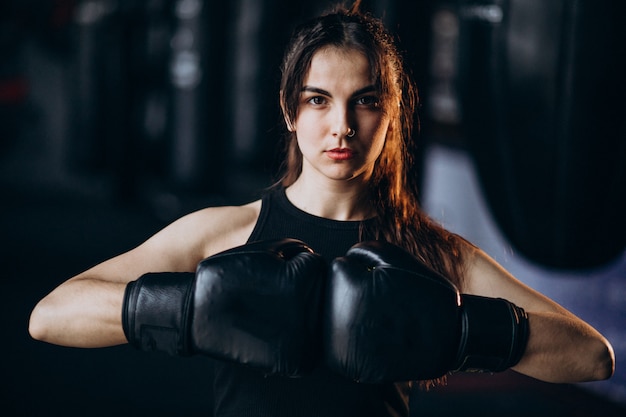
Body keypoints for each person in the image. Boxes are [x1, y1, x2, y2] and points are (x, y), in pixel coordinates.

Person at [29, 1, 614, 416]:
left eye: (365, 101)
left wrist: (459, 329)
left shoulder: (428, 253)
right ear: (290, 111)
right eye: (318, 100)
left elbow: (593, 356)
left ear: (391, 116)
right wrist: (190, 310)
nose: (341, 126)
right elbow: (50, 316)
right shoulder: (223, 233)